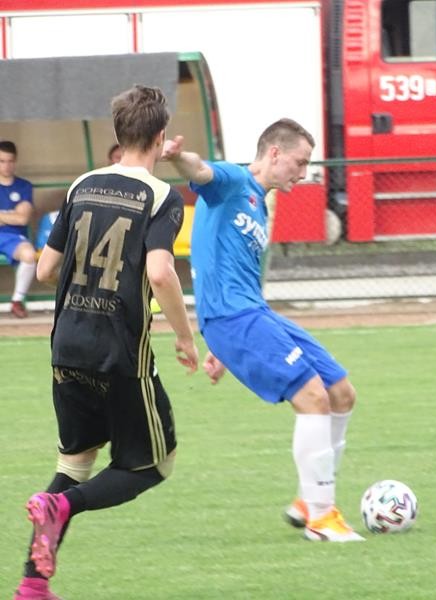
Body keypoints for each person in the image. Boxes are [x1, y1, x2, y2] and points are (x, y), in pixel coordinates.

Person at [14, 85, 198, 600]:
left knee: (74, 464)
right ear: (160, 138)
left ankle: (32, 585)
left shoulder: (82, 184)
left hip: (67, 346)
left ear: (117, 134)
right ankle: (62, 506)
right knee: (152, 464)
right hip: (119, 353)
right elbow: (160, 273)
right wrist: (186, 337)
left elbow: (46, 270)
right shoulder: (161, 197)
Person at [163, 118, 364, 543]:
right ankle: (322, 519)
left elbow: (236, 272)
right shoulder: (234, 181)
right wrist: (178, 157)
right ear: (274, 153)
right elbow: (201, 170)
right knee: (312, 396)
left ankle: (310, 498)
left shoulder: (260, 204)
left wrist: (224, 350)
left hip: (251, 315)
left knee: (341, 391)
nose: (303, 173)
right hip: (232, 318)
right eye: (300, 162)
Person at [35, 144, 124, 254]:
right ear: (110, 160)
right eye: (117, 157)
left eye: (123, 157)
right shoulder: (98, 180)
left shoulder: (137, 183)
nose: (120, 161)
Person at [0, 140, 37, 318]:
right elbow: (16, 216)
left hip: (13, 237)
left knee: (30, 255)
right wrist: (11, 215)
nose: (6, 166)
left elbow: (22, 218)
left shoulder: (24, 186)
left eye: (10, 161)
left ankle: (17, 301)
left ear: (15, 161)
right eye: (2, 161)